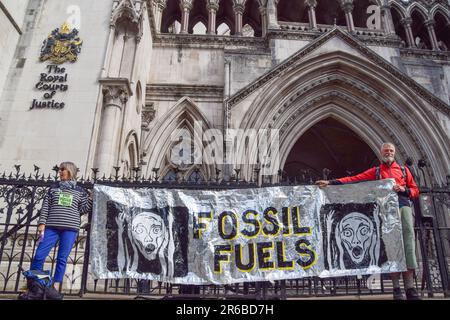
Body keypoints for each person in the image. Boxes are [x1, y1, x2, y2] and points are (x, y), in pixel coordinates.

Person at [315, 142, 421, 300]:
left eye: (391, 150)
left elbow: (415, 190)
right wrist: (331, 182)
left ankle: (410, 288)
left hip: (403, 208)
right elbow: (354, 179)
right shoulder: (376, 171)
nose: (388, 153)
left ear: (395, 152)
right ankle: (396, 289)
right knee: (392, 249)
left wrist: (404, 190)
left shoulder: (405, 171)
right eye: (386, 151)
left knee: (408, 247)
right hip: (385, 212)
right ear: (381, 153)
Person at [30, 161, 92, 295]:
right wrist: (41, 224)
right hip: (51, 227)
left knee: (61, 259)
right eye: (59, 170)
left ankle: (55, 289)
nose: (60, 172)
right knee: (39, 256)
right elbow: (46, 207)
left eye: (62, 169)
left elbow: (83, 209)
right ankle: (39, 285)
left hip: (70, 229)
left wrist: (91, 198)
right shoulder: (53, 188)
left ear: (70, 171)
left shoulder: (80, 191)